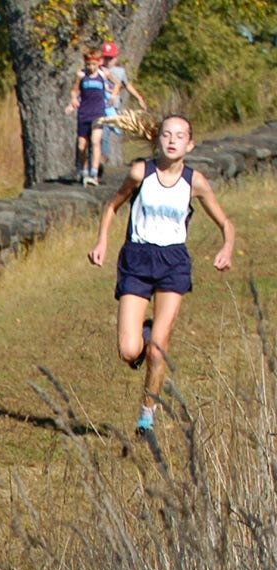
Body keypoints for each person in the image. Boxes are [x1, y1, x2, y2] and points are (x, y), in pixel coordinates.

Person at [86, 114, 234, 436]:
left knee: (157, 350)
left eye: (179, 136)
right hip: (137, 259)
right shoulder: (141, 173)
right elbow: (112, 206)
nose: (172, 140)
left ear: (189, 144)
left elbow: (226, 223)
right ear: (158, 139)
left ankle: (146, 418)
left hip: (173, 262)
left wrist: (226, 248)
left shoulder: (195, 182)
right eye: (167, 134)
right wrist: (102, 241)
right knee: (129, 351)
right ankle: (147, 330)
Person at [65, 48, 114, 186]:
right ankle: (84, 171)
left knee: (95, 141)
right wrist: (73, 101)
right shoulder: (81, 76)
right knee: (82, 145)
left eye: (94, 64)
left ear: (98, 63)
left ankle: (94, 173)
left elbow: (116, 84)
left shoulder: (103, 75)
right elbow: (74, 90)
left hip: (98, 112)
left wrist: (113, 95)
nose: (91, 67)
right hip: (84, 112)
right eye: (88, 65)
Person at [99, 41, 147, 172]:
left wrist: (139, 98)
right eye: (105, 57)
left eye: (111, 58)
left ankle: (103, 158)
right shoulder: (97, 70)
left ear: (116, 58)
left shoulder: (119, 72)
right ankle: (96, 160)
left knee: (107, 131)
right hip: (97, 106)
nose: (108, 61)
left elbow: (127, 85)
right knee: (98, 133)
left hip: (112, 108)